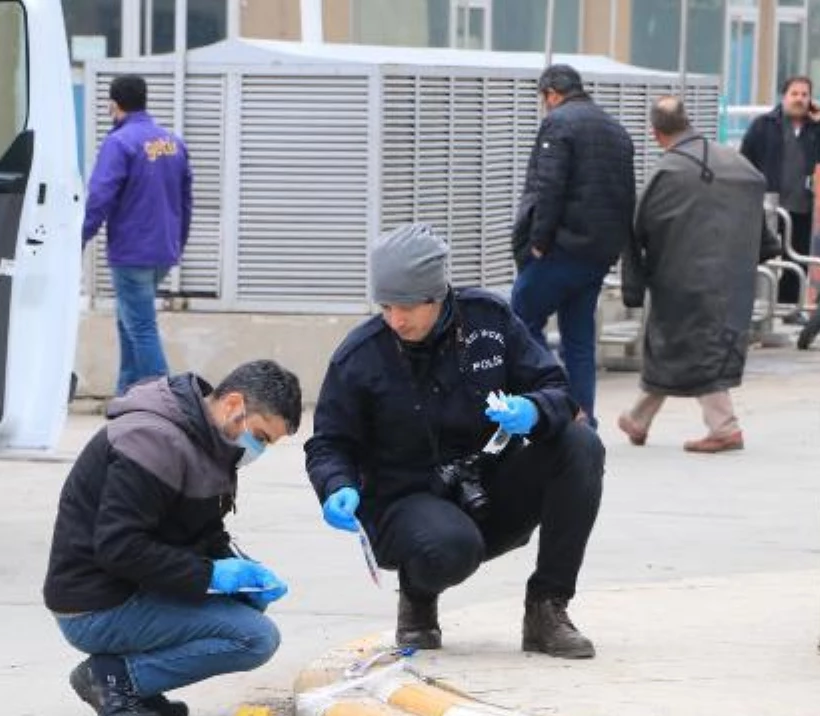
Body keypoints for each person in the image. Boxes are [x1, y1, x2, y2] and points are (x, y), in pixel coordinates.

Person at [305, 223, 605, 659]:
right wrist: (336, 486)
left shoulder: (489, 321)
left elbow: (557, 387)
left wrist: (534, 410)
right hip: (407, 503)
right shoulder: (361, 357)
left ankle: (547, 608)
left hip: (487, 486)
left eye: (408, 306)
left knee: (580, 444)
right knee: (450, 546)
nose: (396, 319)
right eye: (386, 306)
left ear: (438, 295)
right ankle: (418, 598)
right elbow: (329, 442)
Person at [43, 360, 302, 716]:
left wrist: (244, 573)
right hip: (95, 604)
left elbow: (205, 531)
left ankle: (142, 682)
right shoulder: (150, 441)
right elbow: (119, 548)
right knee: (255, 638)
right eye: (260, 436)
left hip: (134, 588)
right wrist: (212, 575)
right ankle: (115, 678)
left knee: (245, 612)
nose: (257, 449)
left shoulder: (206, 442)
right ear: (233, 405)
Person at [618, 97, 766, 454]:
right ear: (688, 121)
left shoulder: (667, 171)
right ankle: (638, 418)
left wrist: (633, 289)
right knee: (685, 347)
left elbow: (637, 229)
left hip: (680, 278)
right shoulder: (734, 160)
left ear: (656, 133)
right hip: (731, 274)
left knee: (690, 346)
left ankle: (724, 427)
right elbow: (756, 197)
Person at [510, 64, 636, 427]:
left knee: (520, 322)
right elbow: (626, 193)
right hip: (596, 256)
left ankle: (556, 404)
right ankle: (583, 418)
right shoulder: (615, 128)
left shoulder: (559, 123)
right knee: (579, 340)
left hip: (558, 250)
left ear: (552, 93)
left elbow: (549, 186)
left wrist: (537, 242)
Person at [83, 74, 193, 396]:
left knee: (141, 327)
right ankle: (127, 395)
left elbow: (100, 196)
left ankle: (171, 401)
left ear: (114, 106)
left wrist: (79, 238)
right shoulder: (173, 142)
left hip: (132, 252)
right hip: (163, 251)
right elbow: (186, 200)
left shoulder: (120, 143)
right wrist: (178, 243)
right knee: (127, 321)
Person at [740, 75, 820, 307]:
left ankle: (786, 308)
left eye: (804, 95)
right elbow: (745, 158)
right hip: (769, 206)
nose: (799, 99)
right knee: (761, 257)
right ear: (784, 96)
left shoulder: (816, 128)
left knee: (797, 262)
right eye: (794, 94)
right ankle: (757, 307)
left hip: (803, 206)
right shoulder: (764, 125)